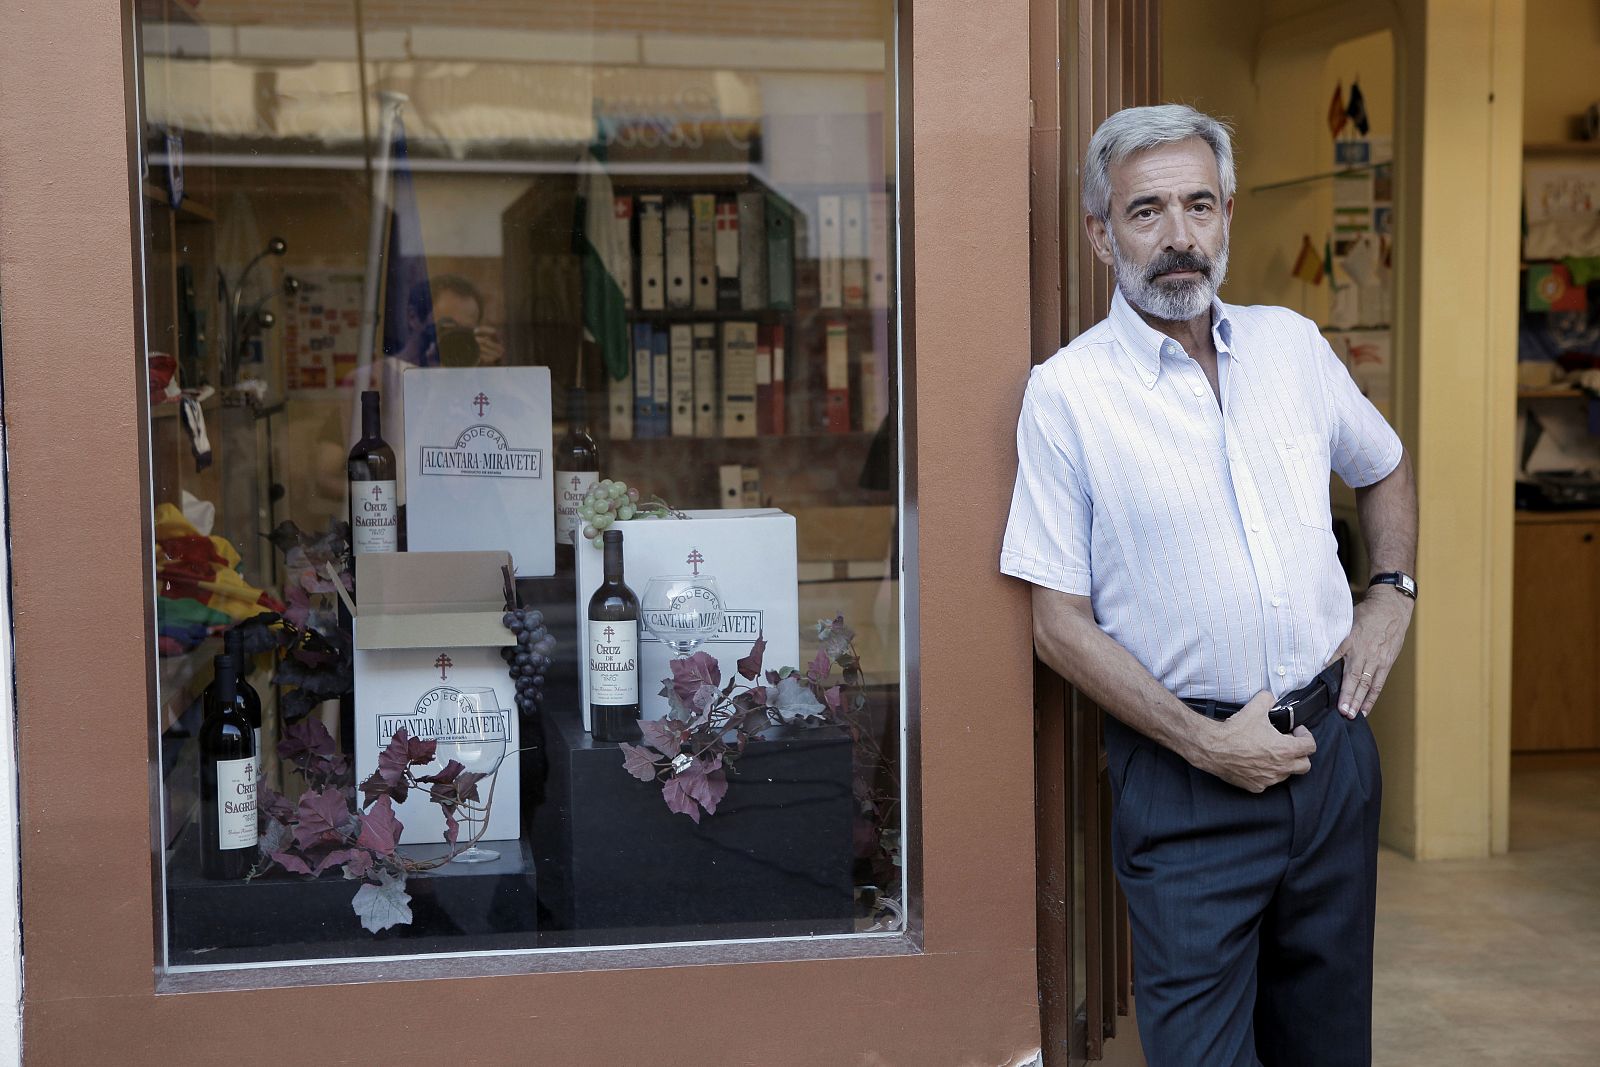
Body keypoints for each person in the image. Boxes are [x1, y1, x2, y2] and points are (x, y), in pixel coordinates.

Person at [1000, 104, 1418, 1067]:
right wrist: (1203, 742)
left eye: (1199, 204)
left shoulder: (1293, 347)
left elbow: (1384, 464)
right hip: (1186, 776)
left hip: (1333, 756)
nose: (1180, 236)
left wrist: (1391, 591)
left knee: (1328, 1044)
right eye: (1147, 211)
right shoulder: (1068, 396)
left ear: (1228, 212)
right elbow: (1056, 624)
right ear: (1103, 233)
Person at [391, 273, 506, 367]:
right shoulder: (387, 376)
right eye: (446, 328)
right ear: (413, 317)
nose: (455, 339)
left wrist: (489, 373)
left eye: (465, 331)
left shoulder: (470, 377)